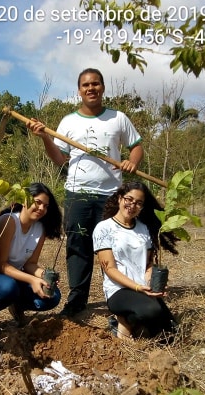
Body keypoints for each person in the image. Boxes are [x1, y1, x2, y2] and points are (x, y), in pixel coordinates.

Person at [28, 67, 144, 319]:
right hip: (77, 195)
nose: (91, 88)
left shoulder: (118, 118)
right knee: (78, 247)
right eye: (86, 85)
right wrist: (45, 138)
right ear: (79, 90)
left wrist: (132, 162)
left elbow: (136, 146)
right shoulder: (69, 122)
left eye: (95, 84)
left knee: (112, 247)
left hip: (111, 195)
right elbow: (60, 159)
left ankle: (118, 298)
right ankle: (77, 300)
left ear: (103, 87)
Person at [93, 181, 179, 339]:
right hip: (118, 290)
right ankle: (122, 322)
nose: (132, 206)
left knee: (171, 334)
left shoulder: (143, 229)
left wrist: (151, 281)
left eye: (138, 203)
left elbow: (147, 264)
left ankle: (127, 322)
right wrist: (138, 287)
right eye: (129, 199)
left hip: (142, 289)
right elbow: (109, 269)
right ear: (120, 198)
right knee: (152, 311)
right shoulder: (104, 228)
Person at [0, 182, 63, 326]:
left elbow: (30, 264)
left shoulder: (40, 228)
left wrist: (44, 276)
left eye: (45, 206)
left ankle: (17, 307)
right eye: (38, 202)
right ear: (24, 200)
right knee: (8, 288)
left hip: (15, 277)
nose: (41, 208)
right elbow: (0, 265)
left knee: (53, 296)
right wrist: (32, 280)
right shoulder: (9, 221)